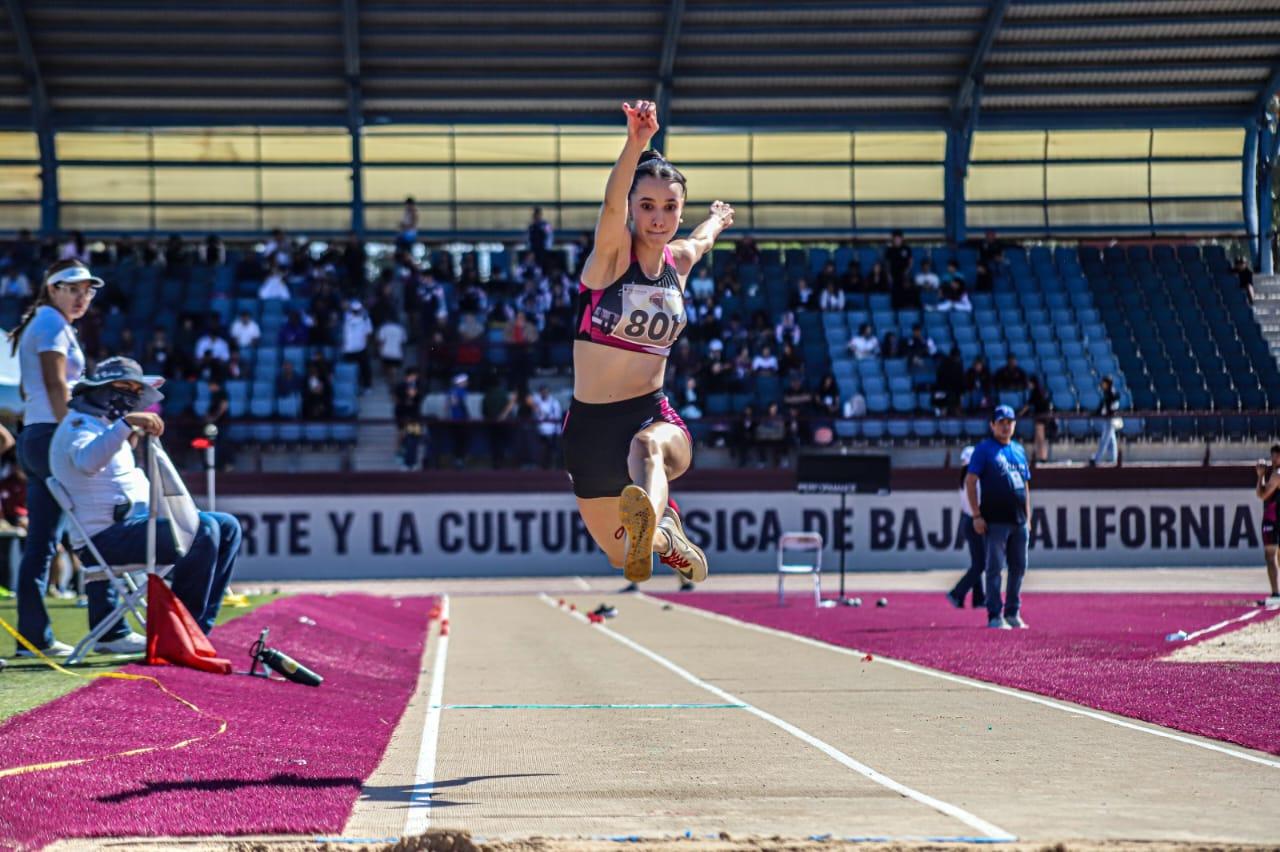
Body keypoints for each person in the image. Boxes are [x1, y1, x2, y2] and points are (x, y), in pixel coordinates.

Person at [564, 99, 732, 587]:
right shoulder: (610, 263)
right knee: (622, 559)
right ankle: (664, 538)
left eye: (670, 207)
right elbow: (610, 205)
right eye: (647, 206)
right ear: (632, 210)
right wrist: (635, 142)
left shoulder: (677, 264)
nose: (658, 218)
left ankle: (654, 526)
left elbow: (700, 242)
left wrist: (718, 219)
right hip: (590, 428)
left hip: (651, 413)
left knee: (649, 449)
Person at [50, 358, 239, 639]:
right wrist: (125, 424)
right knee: (204, 530)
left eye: (135, 389)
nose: (130, 395)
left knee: (226, 525)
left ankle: (196, 631)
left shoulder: (105, 423)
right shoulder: (81, 423)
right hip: (105, 539)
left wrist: (123, 428)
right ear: (99, 388)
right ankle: (177, 635)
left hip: (129, 529)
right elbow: (87, 461)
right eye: (122, 386)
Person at [9, 260, 105, 657]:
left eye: (88, 289)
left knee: (43, 543)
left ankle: (34, 637)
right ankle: (108, 626)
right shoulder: (50, 324)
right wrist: (75, 434)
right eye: (73, 288)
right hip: (51, 437)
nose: (83, 295)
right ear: (53, 289)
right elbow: (55, 385)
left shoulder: (49, 322)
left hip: (37, 436)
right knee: (98, 524)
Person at [966, 405, 1032, 630]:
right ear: (992, 425)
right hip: (995, 520)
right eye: (1001, 422)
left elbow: (1025, 485)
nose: (1006, 426)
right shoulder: (984, 450)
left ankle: (1013, 611)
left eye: (1009, 422)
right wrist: (976, 515)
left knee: (1019, 567)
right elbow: (971, 481)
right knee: (994, 568)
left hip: (1018, 520)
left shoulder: (1019, 450)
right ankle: (995, 614)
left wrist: (1028, 517)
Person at [946, 445, 986, 610]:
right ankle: (957, 593)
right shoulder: (972, 478)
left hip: (967, 520)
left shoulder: (963, 477)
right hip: (973, 520)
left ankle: (978, 598)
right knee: (980, 564)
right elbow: (979, 502)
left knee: (978, 562)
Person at [1254, 445, 1280, 606]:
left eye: (1277, 456)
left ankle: (1276, 593)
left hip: (1274, 519)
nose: (1274, 459)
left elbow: (1262, 494)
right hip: (1275, 518)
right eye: (1273, 456)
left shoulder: (1277, 475)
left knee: (1271, 557)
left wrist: (1260, 476)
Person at [1092, 375, 1121, 467]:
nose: (1102, 385)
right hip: (1107, 418)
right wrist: (1097, 412)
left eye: (1104, 383)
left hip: (1110, 419)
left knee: (1104, 440)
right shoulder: (1106, 392)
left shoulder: (1112, 393)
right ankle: (1114, 459)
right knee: (1111, 439)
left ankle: (1097, 459)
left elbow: (1113, 407)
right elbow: (1102, 405)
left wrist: (1106, 412)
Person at [532, 386, 563, 469]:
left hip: (553, 432)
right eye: (542, 392)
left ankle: (553, 468)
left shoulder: (554, 403)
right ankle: (543, 468)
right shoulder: (537, 403)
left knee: (553, 452)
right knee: (542, 452)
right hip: (541, 432)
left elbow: (557, 417)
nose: (544, 393)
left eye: (545, 392)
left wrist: (558, 432)